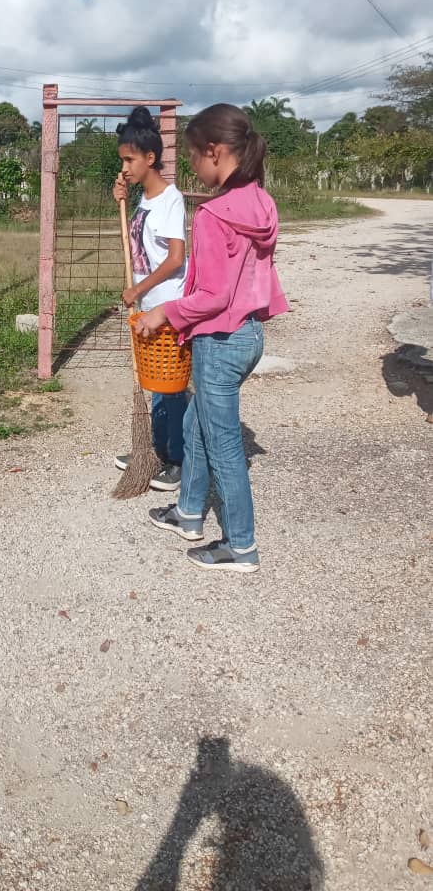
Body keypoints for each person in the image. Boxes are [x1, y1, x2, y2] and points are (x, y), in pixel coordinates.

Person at [133, 103, 289, 572]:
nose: (192, 171)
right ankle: (187, 513)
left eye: (194, 159)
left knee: (222, 444)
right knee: (196, 426)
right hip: (249, 335)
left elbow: (212, 296)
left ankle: (240, 546)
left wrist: (164, 312)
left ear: (214, 152)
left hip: (220, 340)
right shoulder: (260, 202)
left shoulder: (214, 214)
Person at [113, 106, 187, 492]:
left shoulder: (171, 199)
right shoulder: (142, 199)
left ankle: (179, 459)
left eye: (130, 159)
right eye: (122, 160)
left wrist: (139, 290)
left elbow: (176, 258)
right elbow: (138, 247)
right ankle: (154, 449)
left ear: (150, 158)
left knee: (170, 384)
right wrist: (120, 201)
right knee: (154, 380)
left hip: (168, 305)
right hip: (145, 303)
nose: (124, 166)